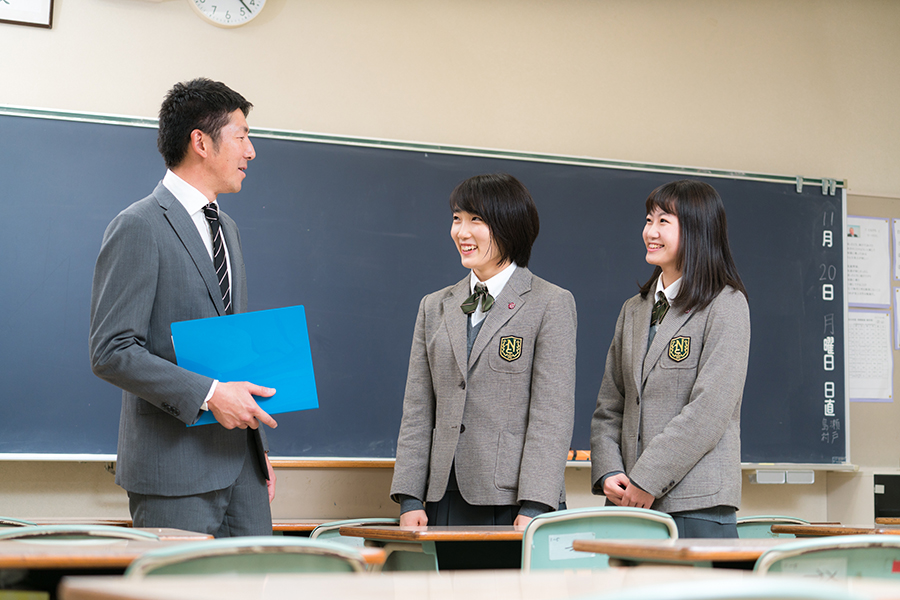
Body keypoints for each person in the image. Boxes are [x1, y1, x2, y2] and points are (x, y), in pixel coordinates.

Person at [89, 78, 278, 537]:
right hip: (172, 472)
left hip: (242, 469)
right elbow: (112, 351)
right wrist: (211, 395)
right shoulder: (138, 225)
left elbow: (229, 350)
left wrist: (259, 449)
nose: (251, 151)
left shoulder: (226, 227)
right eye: (242, 136)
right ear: (201, 142)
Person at [390, 172, 577, 533]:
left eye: (477, 220)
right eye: (457, 219)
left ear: (509, 225)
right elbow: (417, 409)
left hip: (515, 501)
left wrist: (536, 504)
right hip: (443, 496)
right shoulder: (435, 306)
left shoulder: (550, 303)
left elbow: (551, 414)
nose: (462, 232)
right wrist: (410, 498)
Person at [590, 179, 750, 538]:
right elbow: (610, 406)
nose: (650, 231)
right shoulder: (634, 309)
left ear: (697, 230)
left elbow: (709, 409)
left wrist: (646, 479)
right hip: (628, 504)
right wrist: (609, 472)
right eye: (649, 220)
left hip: (696, 505)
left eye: (664, 221)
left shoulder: (725, 305)